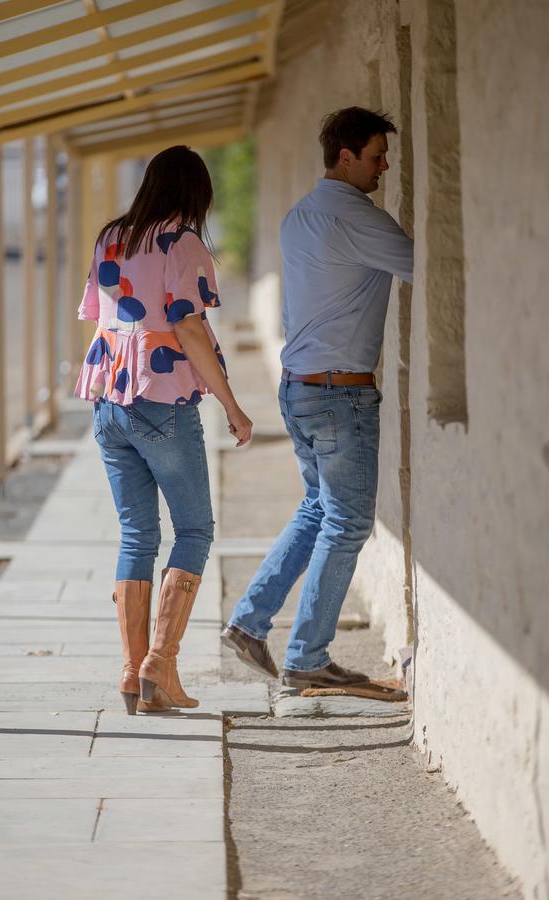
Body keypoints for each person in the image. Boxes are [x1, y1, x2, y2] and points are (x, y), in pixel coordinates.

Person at [221, 107, 414, 688]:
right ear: (346, 156)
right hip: (340, 396)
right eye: (377, 156)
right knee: (348, 522)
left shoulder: (298, 215)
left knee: (318, 509)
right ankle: (307, 659)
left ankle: (251, 622)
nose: (385, 167)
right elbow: (431, 263)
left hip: (299, 388)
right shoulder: (359, 218)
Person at [74, 145, 252, 714]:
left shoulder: (112, 237)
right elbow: (190, 329)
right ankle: (160, 665)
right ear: (195, 193)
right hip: (161, 398)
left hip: (109, 402)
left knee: (136, 536)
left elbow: (100, 315)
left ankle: (132, 674)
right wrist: (232, 404)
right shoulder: (183, 243)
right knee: (195, 529)